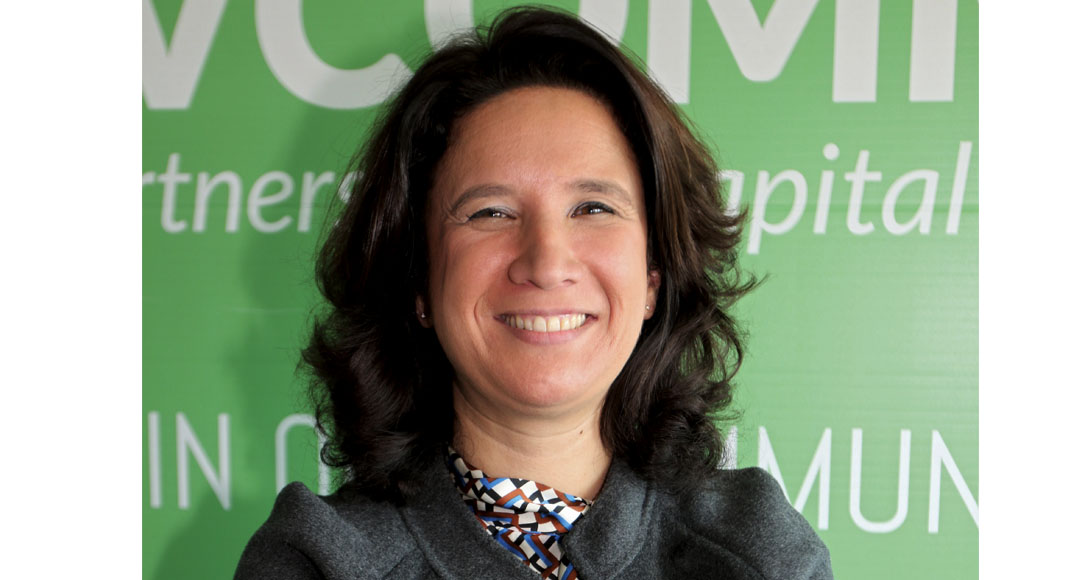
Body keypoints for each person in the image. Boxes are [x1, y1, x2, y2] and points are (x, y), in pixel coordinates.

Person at [236, 6, 832, 579]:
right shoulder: (318, 562)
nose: (546, 264)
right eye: (490, 212)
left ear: (653, 276)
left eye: (593, 208)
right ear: (418, 280)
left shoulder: (756, 555)